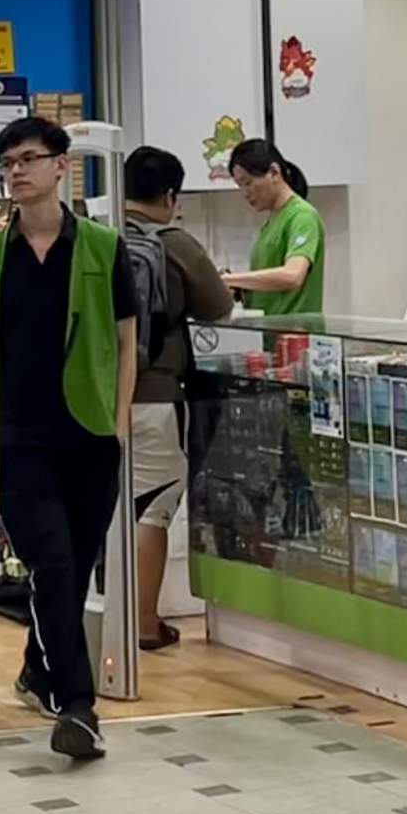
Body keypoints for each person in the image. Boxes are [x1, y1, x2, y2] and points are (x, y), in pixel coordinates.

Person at [0, 116, 137, 761]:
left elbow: (126, 341)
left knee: (74, 565)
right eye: (7, 163)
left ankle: (39, 668)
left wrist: (118, 422)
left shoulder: (103, 248)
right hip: (21, 437)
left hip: (90, 434)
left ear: (62, 166)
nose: (17, 172)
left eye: (29, 159)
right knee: (53, 564)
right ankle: (77, 708)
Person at [124, 146, 234, 650]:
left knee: (106, 509)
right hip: (155, 392)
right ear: (170, 196)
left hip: (93, 397)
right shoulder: (174, 244)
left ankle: (102, 615)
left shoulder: (94, 236)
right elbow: (219, 307)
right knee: (152, 509)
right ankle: (144, 623)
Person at [222, 139, 326, 315]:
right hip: (267, 329)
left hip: (294, 330)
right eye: (240, 186)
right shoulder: (271, 222)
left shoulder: (302, 216)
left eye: (248, 183)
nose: (245, 193)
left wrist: (230, 280)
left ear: (274, 172)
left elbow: (292, 276)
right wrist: (240, 287)